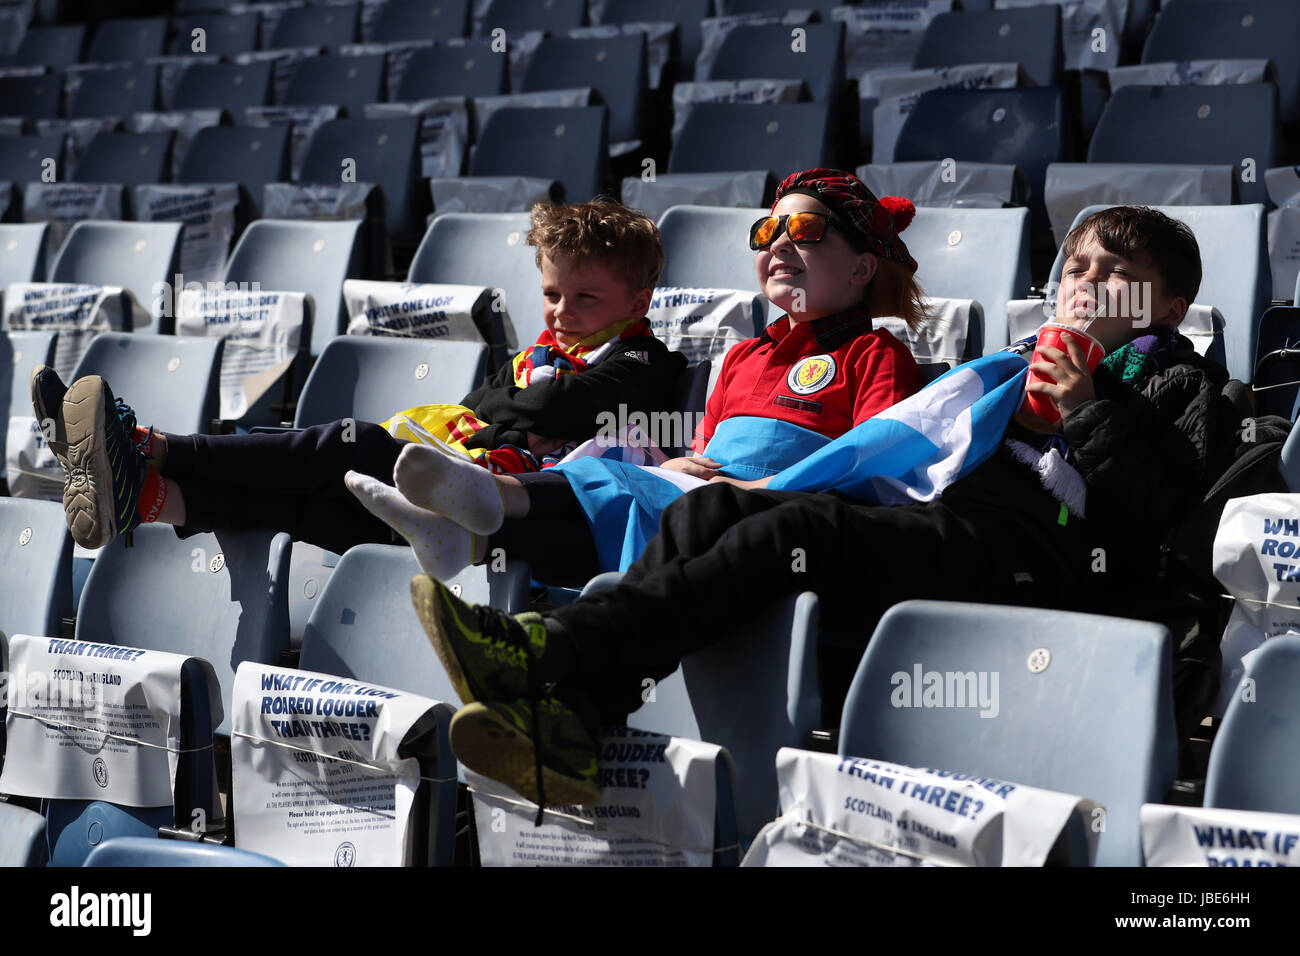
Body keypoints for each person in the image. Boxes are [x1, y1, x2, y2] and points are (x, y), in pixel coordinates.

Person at [412, 204, 1263, 809]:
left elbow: (1163, 520)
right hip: (948, 521)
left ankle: (548, 655)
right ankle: (583, 716)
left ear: (1171, 307)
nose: (1088, 285)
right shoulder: (1007, 362)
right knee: (704, 513)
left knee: (799, 527)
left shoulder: (1180, 381)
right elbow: (910, 447)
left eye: (1118, 277)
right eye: (1078, 267)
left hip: (1038, 554)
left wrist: (1087, 409)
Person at [346, 169, 927, 585]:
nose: (779, 243)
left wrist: (756, 489)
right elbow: (704, 451)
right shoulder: (744, 355)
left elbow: (872, 469)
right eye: (767, 231)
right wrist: (678, 466)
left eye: (804, 229)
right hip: (707, 494)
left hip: (781, 509)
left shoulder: (876, 354)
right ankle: (462, 533)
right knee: (619, 475)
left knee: (613, 480)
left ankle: (480, 508)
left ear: (862, 267)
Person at [32, 199, 687, 556]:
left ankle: (150, 445)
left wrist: (521, 403)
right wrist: (524, 403)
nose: (560, 313)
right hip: (449, 498)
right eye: (550, 295)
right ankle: (144, 497)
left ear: (637, 303)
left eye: (584, 300)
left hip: (507, 519)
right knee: (320, 498)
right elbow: (491, 407)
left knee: (355, 444)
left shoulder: (648, 364)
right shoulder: (537, 358)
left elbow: (550, 405)